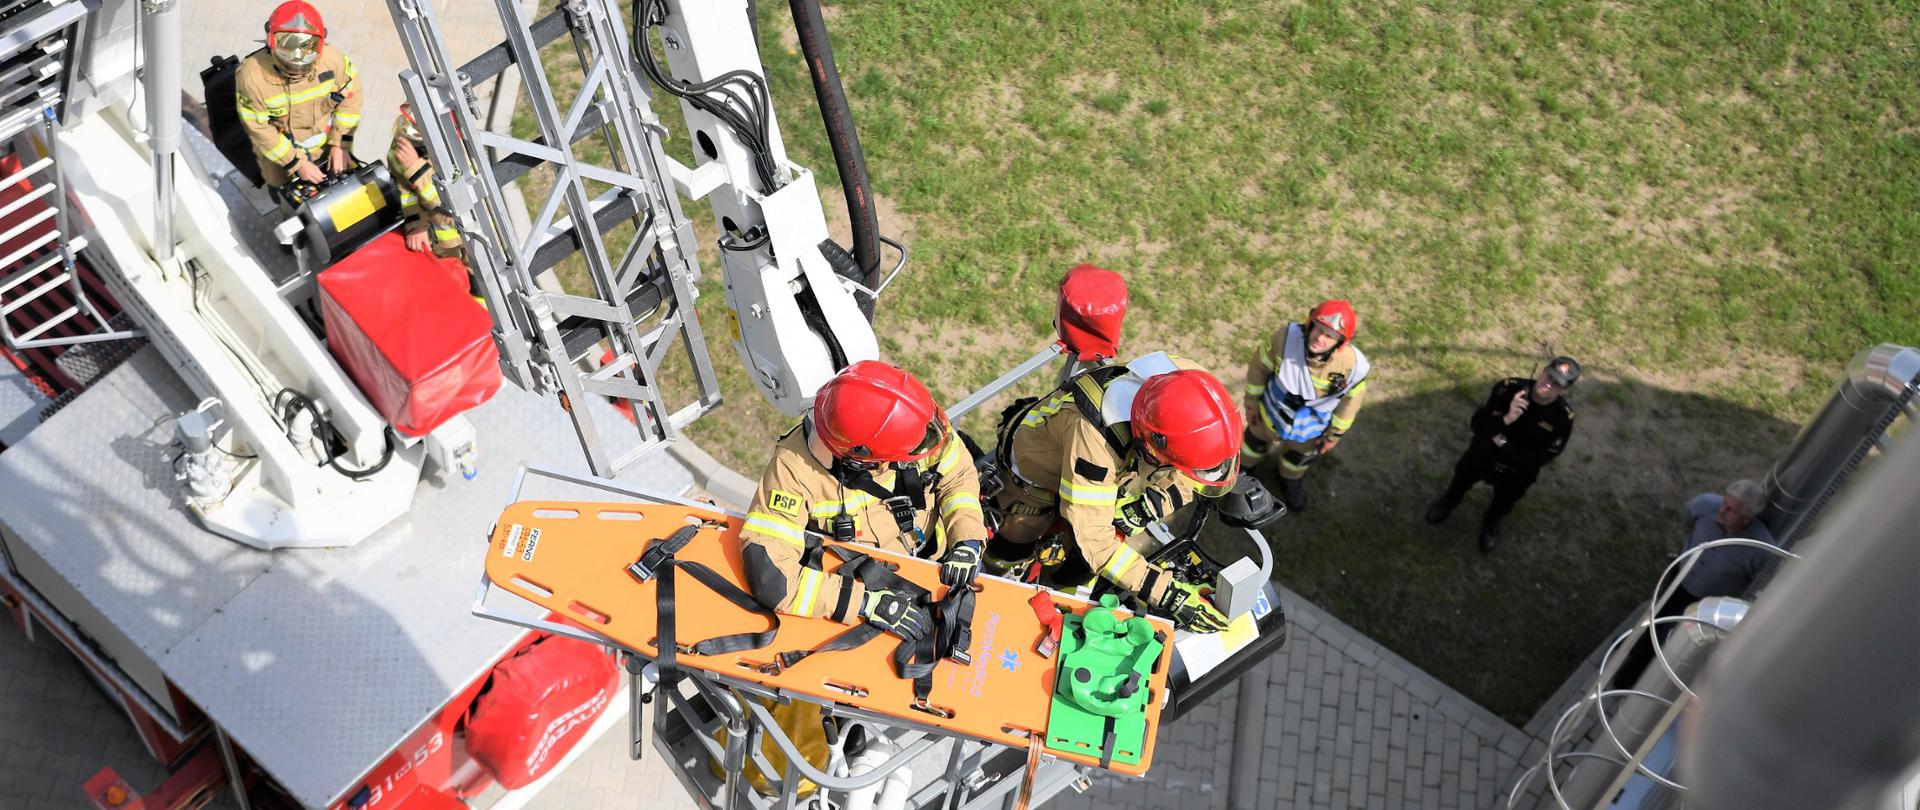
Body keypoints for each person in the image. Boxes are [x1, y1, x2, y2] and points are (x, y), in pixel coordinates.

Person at [983, 352, 1239, 633]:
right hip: (1031, 490)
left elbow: (1191, 460)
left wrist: (1144, 508)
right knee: (1007, 553)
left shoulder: (1188, 386)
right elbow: (1097, 544)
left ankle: (1059, 592)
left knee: (1077, 567)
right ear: (1151, 445)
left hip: (1093, 478)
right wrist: (1167, 594)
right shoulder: (1095, 443)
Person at [737, 361, 987, 642]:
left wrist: (967, 541)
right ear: (861, 459)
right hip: (868, 598)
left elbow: (958, 475)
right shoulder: (793, 471)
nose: (925, 450)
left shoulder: (914, 422)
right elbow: (773, 579)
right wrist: (865, 603)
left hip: (943, 567)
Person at [1610, 479, 1778, 690]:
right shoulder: (1705, 505)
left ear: (1747, 518)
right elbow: (1688, 516)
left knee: (1662, 637)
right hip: (1677, 579)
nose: (1723, 511)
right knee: (1653, 614)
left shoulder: (1759, 549)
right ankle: (1630, 645)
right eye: (1724, 503)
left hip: (1699, 601)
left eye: (1732, 510)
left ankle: (1627, 680)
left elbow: (1761, 583)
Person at [1425, 356, 1580, 552]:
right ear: (1542, 371)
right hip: (1483, 454)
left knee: (1504, 503)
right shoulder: (1507, 389)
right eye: (1549, 376)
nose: (1549, 385)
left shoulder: (1562, 417)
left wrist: (1502, 441)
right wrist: (1506, 419)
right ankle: (1448, 503)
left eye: (1557, 384)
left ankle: (1490, 525)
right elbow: (1478, 424)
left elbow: (1541, 458)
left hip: (1517, 472)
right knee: (1460, 481)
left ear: (1564, 390)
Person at [1240, 300, 1370, 512]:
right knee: (1251, 446)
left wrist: (1333, 435)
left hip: (1308, 432)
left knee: (1296, 461)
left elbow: (1350, 404)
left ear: (1340, 342)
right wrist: (1252, 403)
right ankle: (1242, 473)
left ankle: (1289, 480)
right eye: (1318, 328)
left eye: (1329, 335)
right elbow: (1259, 366)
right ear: (1309, 324)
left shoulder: (1351, 367)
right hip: (1266, 415)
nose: (1320, 338)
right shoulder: (1284, 339)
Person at [234, 2, 362, 189]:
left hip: (329, 143)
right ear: (271, 41)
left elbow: (351, 97)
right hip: (282, 156)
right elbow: (259, 129)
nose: (296, 64)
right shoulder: (252, 77)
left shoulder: (332, 60)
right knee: (283, 189)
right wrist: (297, 163)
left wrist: (340, 144)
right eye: (288, 54)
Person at [387, 104, 463, 258]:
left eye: (414, 128)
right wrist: (416, 224)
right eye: (407, 120)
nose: (406, 130)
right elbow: (406, 191)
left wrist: (417, 170)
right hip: (436, 244)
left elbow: (454, 204)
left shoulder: (458, 159)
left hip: (468, 241)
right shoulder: (403, 149)